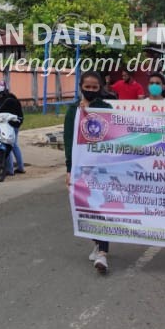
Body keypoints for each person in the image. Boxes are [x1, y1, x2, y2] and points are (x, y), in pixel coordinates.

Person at [65, 72, 113, 273]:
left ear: (100, 88)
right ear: (81, 86)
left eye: (95, 87)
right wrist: (68, 169)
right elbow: (69, 140)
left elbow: (113, 135)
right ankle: (97, 242)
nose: (91, 90)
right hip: (80, 168)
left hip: (102, 168)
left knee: (102, 208)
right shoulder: (73, 110)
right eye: (88, 87)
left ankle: (103, 253)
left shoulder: (106, 108)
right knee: (84, 209)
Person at [0, 80, 26, 174]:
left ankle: (10, 169)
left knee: (6, 143)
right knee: (14, 144)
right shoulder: (12, 96)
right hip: (18, 122)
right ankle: (20, 167)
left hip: (10, 124)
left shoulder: (1, 101)